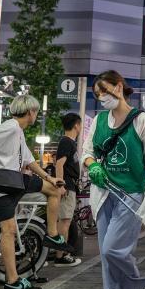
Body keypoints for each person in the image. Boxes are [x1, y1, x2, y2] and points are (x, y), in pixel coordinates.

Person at [0, 94, 70, 289]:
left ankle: (50, 238)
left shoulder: (18, 131)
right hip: (0, 184)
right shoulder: (10, 128)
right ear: (30, 112)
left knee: (51, 191)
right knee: (9, 230)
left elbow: (29, 160)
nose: (36, 115)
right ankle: (16, 277)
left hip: (12, 182)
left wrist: (49, 177)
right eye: (36, 111)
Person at [82, 70, 145, 289]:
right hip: (104, 194)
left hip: (132, 194)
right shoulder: (99, 121)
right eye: (98, 95)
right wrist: (92, 166)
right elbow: (87, 152)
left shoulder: (141, 119)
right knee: (107, 257)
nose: (101, 98)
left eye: (104, 91)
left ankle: (137, 287)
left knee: (112, 250)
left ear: (119, 87)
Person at [54, 113, 83, 267]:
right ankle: (61, 256)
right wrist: (61, 185)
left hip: (70, 185)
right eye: (80, 124)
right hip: (67, 186)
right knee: (64, 221)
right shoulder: (66, 141)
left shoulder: (70, 142)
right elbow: (59, 164)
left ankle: (61, 253)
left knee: (65, 221)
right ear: (76, 125)